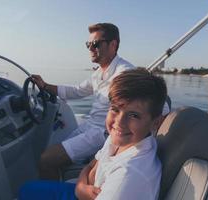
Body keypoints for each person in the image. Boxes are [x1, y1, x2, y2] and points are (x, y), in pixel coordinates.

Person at [19, 67, 166, 200]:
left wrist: (80, 190)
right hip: (83, 191)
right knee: (26, 189)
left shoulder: (128, 177)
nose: (119, 123)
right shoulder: (118, 138)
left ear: (155, 123)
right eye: (115, 109)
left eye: (134, 115)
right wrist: (80, 187)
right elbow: (92, 164)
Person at [32, 23, 134, 180]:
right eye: (88, 44)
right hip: (89, 126)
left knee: (46, 160)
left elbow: (153, 108)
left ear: (113, 44)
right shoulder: (99, 72)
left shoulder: (125, 74)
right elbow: (76, 91)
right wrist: (45, 86)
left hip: (102, 133)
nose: (90, 49)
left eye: (95, 44)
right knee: (54, 152)